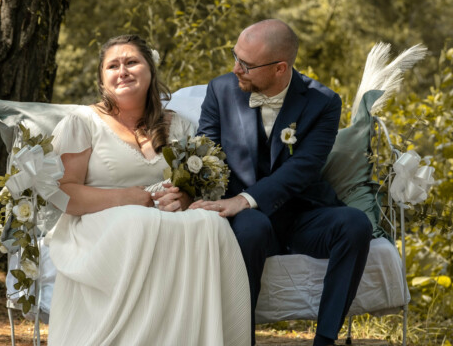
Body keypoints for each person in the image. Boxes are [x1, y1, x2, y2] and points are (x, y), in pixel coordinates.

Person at [47, 34, 250, 345]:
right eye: (112, 66)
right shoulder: (83, 121)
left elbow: (194, 183)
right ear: (103, 78)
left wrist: (184, 196)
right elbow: (64, 193)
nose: (123, 70)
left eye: (132, 62)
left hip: (165, 217)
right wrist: (126, 198)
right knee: (136, 221)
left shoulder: (177, 125)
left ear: (150, 70)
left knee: (211, 223)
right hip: (97, 222)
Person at [189, 19, 373, 346]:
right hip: (249, 220)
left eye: (245, 65)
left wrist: (245, 198)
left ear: (280, 68)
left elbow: (303, 168)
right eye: (235, 57)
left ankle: (325, 339)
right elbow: (205, 152)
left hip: (303, 214)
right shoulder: (220, 90)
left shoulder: (323, 101)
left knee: (355, 224)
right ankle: (240, 339)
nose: (235, 69)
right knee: (253, 228)